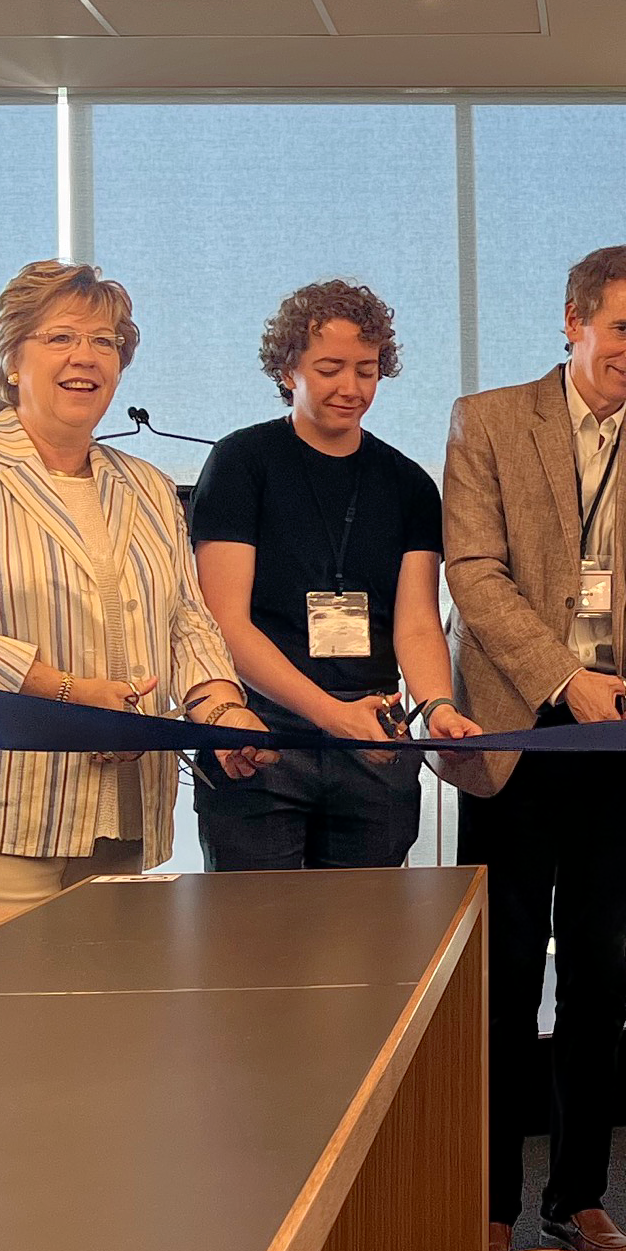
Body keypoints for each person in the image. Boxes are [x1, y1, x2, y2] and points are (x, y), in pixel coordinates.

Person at [443, 243, 626, 1251]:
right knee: (507, 981)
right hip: (516, 739)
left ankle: (581, 1197)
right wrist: (566, 679)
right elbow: (475, 573)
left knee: (599, 978)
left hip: (619, 746)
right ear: (573, 321)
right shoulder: (489, 421)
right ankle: (490, 1204)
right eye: (623, 330)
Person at [0, 260, 273, 912]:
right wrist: (69, 695)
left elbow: (187, 622)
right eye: (60, 337)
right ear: (10, 361)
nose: (85, 356)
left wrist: (223, 710)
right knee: (2, 1008)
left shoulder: (145, 484)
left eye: (105, 342)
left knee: (107, 1006)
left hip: (121, 804)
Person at [188, 279, 482, 870]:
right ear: (288, 369)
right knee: (257, 942)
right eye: (329, 369)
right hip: (261, 730)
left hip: (374, 735)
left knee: (365, 944)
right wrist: (329, 713)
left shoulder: (409, 486)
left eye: (366, 371)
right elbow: (224, 624)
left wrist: (438, 706)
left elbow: (418, 626)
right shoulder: (241, 463)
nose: (351, 388)